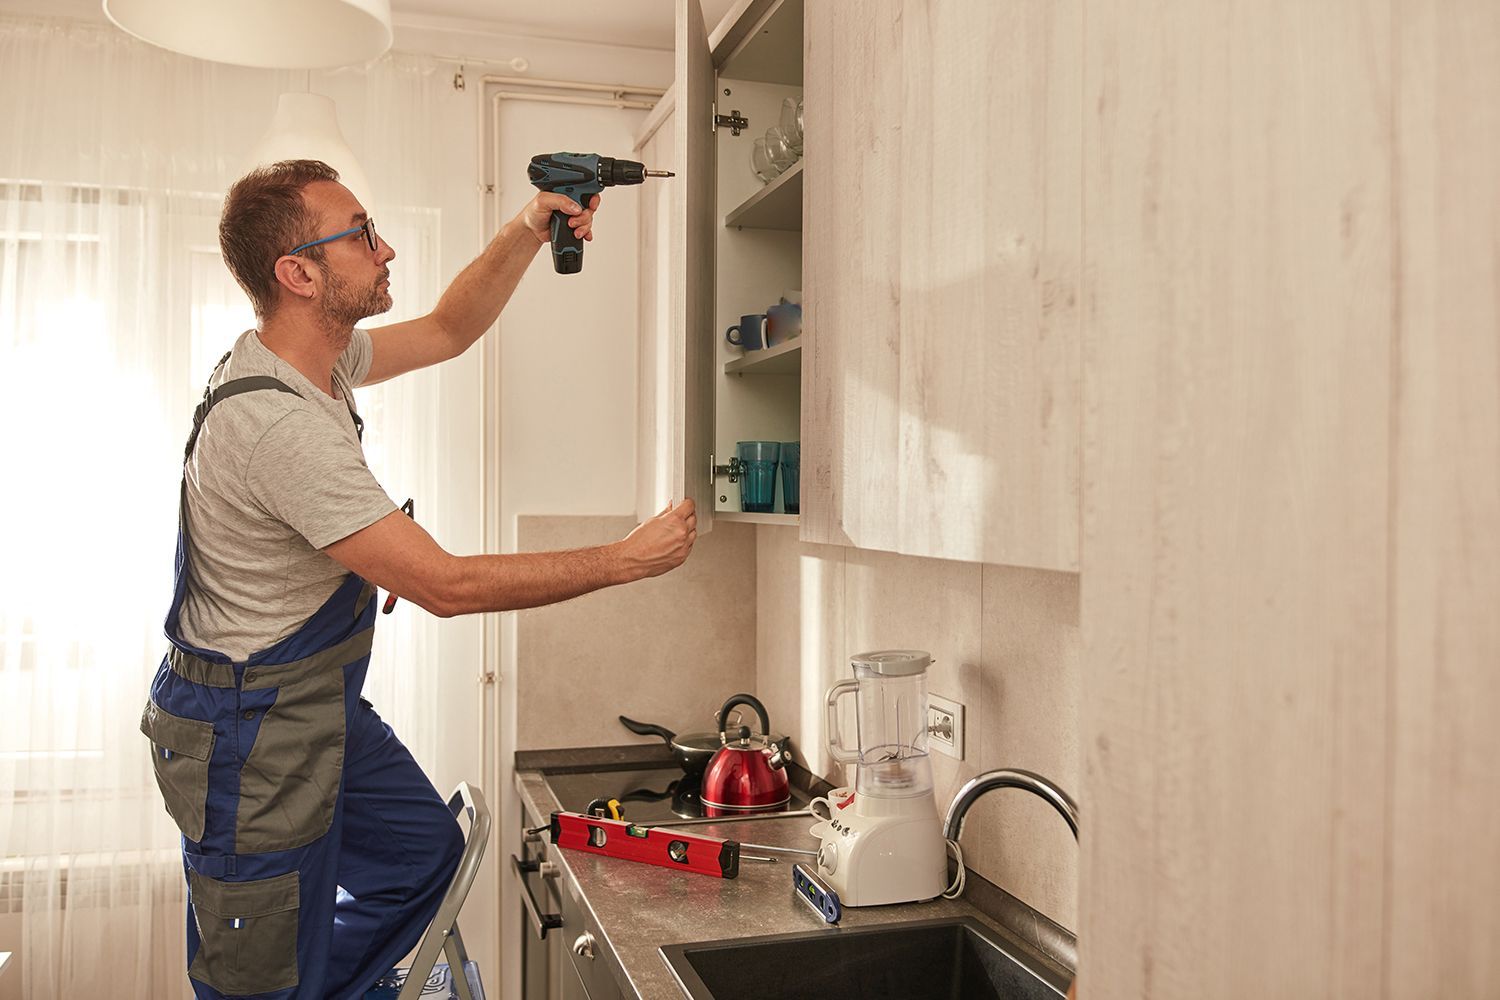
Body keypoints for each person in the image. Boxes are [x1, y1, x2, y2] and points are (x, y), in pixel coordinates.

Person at [140, 158, 697, 1000]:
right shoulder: (275, 424)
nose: (386, 247)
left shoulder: (316, 364)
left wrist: (525, 227)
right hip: (246, 735)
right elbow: (447, 586)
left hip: (309, 705)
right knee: (258, 975)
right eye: (361, 235)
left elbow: (446, 329)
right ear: (298, 274)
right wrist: (624, 559)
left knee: (423, 863)